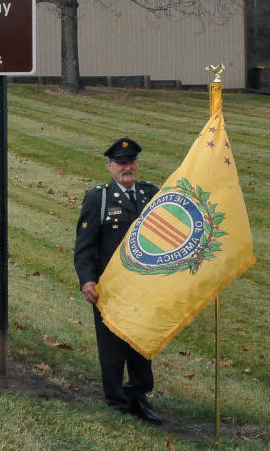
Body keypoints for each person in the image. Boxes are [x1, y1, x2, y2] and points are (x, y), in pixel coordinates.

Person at [73, 137, 163, 424]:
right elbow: (85, 246)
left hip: (143, 284)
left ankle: (138, 395)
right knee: (111, 346)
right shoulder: (98, 198)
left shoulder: (150, 194)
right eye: (121, 163)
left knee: (140, 340)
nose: (128, 167)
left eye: (131, 161)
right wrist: (87, 281)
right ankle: (116, 399)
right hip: (109, 287)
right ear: (110, 165)